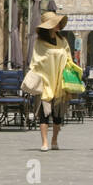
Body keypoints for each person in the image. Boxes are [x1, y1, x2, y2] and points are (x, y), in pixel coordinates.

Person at [31, 11, 73, 151]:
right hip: (45, 82)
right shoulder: (40, 43)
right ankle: (44, 142)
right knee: (43, 114)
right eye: (55, 22)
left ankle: (54, 139)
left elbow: (68, 59)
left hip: (59, 82)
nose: (58, 25)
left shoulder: (63, 41)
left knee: (57, 115)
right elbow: (35, 61)